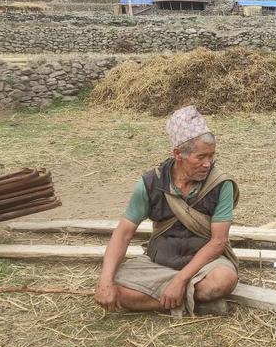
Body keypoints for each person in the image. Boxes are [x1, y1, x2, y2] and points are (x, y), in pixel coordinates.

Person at [94, 105, 239, 316]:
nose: (208, 164)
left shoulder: (220, 184)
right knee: (117, 291)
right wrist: (105, 281)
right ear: (178, 154)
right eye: (200, 157)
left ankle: (172, 297)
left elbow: (218, 241)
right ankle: (197, 303)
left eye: (212, 156)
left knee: (223, 281)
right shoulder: (151, 183)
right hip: (159, 263)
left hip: (204, 266)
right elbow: (123, 233)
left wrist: (180, 280)